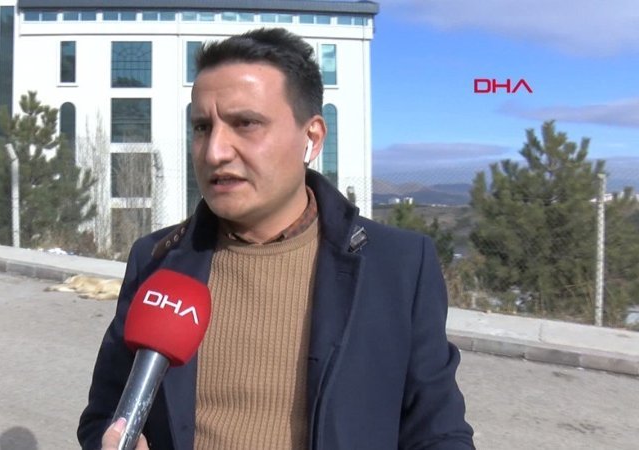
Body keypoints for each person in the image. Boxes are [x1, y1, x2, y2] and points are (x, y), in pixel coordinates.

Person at [79, 28, 475, 450]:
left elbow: (439, 433)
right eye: (202, 127)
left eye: (246, 124)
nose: (214, 152)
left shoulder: (398, 266)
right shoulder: (156, 260)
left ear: (312, 138)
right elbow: (105, 414)